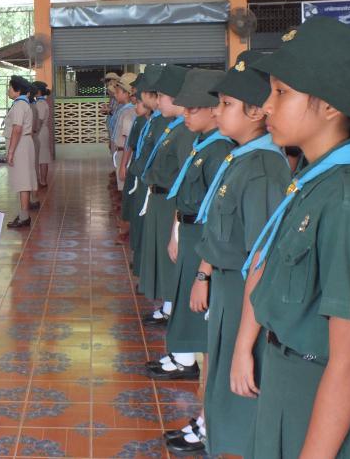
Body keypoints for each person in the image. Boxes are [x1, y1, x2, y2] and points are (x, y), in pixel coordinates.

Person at [242, 18, 350, 457]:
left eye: (281, 92)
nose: (267, 106)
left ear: (330, 105)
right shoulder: (315, 182)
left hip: (324, 398)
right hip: (290, 383)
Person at [193, 51, 291, 457]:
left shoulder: (263, 169)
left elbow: (261, 259)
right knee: (220, 374)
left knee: (242, 375)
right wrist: (204, 273)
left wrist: (244, 342)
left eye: (226, 104)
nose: (217, 112)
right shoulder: (242, 158)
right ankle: (218, 435)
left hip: (244, 291)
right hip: (228, 284)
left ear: (256, 112)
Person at [150, 69, 234, 455]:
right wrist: (175, 230)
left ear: (215, 110)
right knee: (195, 320)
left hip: (206, 244)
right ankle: (205, 417)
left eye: (192, 108)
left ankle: (209, 421)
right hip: (191, 233)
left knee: (209, 335)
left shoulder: (223, 153)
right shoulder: (204, 144)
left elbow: (219, 217)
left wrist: (204, 270)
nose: (185, 113)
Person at [137, 66, 194, 326]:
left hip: (170, 202)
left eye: (162, 96)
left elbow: (183, 177)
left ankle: (172, 307)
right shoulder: (174, 127)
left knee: (171, 256)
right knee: (163, 255)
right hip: (160, 199)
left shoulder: (185, 132)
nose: (157, 101)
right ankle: (168, 304)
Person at [126, 65, 166, 278]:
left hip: (153, 184)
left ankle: (145, 272)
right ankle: (142, 267)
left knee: (148, 230)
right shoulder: (154, 120)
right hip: (144, 179)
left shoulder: (163, 123)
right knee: (141, 226)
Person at [119, 75, 151, 247]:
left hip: (145, 171)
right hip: (135, 165)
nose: (135, 103)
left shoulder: (157, 123)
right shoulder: (138, 120)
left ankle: (133, 235)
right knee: (130, 200)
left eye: (138, 101)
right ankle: (127, 232)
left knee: (140, 206)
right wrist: (123, 165)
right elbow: (130, 144)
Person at [5, 75, 38, 228]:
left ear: (17, 90)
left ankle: (24, 217)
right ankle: (23, 214)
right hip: (24, 143)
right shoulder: (24, 103)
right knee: (24, 179)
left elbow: (17, 129)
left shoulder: (19, 105)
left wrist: (11, 152)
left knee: (23, 181)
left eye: (10, 88)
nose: (8, 90)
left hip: (20, 145)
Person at [111, 72, 138, 193]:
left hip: (125, 154)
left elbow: (128, 140)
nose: (115, 94)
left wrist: (123, 165)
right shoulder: (125, 110)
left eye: (117, 92)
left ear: (127, 93)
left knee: (125, 188)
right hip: (122, 152)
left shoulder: (129, 113)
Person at [32, 81, 53, 188]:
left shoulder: (40, 104)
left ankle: (43, 181)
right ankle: (42, 181)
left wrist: (34, 133)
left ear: (38, 91)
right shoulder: (40, 102)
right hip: (41, 131)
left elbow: (39, 121)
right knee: (42, 157)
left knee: (42, 158)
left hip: (40, 132)